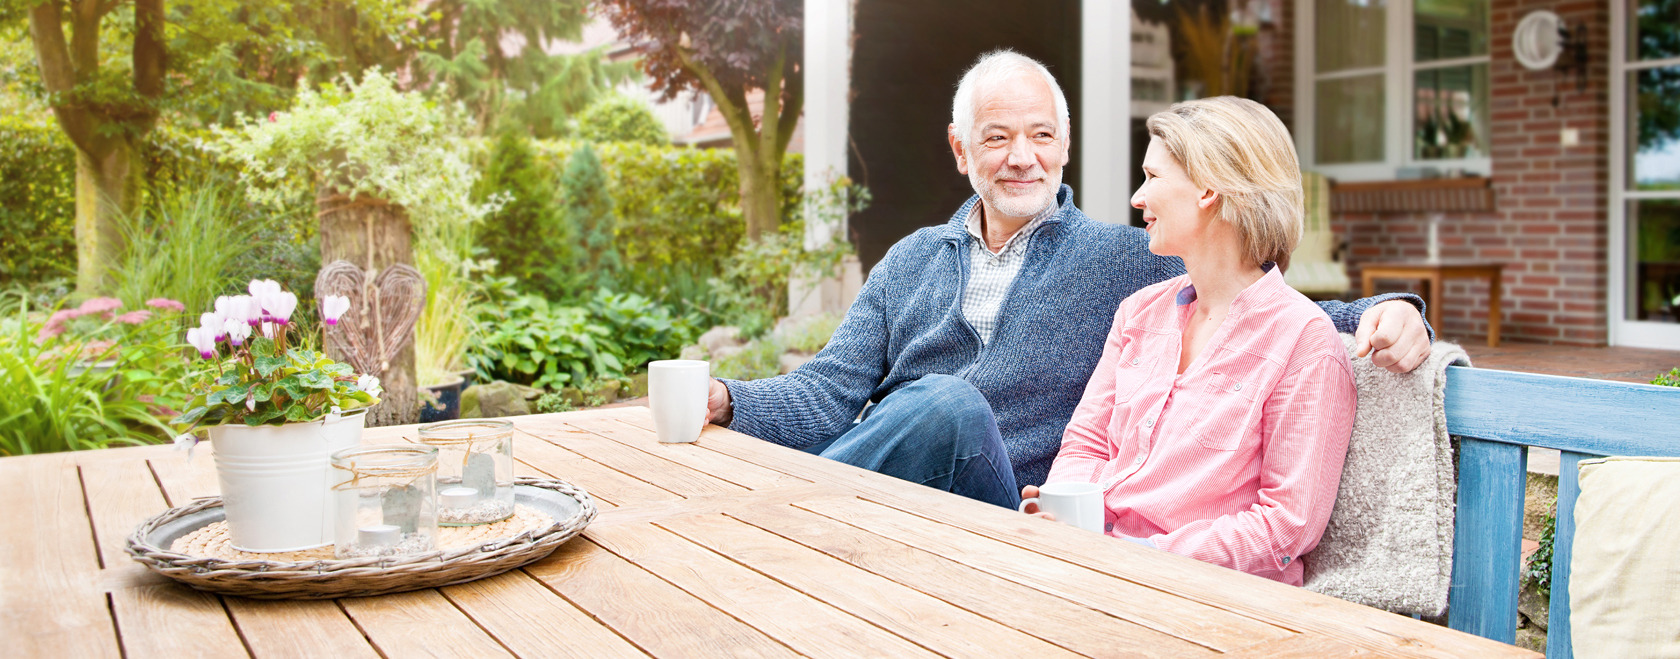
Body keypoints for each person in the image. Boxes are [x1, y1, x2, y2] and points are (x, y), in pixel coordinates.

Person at [704, 50, 1428, 508]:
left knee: (951, 408)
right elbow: (827, 390)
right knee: (931, 409)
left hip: (1008, 515)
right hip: (896, 504)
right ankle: (784, 512)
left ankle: (768, 513)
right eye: (997, 137)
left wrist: (1392, 309)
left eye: (1042, 135)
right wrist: (726, 397)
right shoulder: (912, 259)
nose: (1023, 157)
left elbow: (1256, 296)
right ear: (962, 151)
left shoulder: (1125, 260)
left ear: (1066, 145)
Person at [1023, 96, 1355, 586]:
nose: (1138, 198)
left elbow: (1286, 527)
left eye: (1153, 177)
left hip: (1207, 594)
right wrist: (1067, 514)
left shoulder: (1304, 343)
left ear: (1207, 189)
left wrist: (1138, 554)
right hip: (1096, 571)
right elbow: (1086, 443)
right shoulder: (1139, 312)